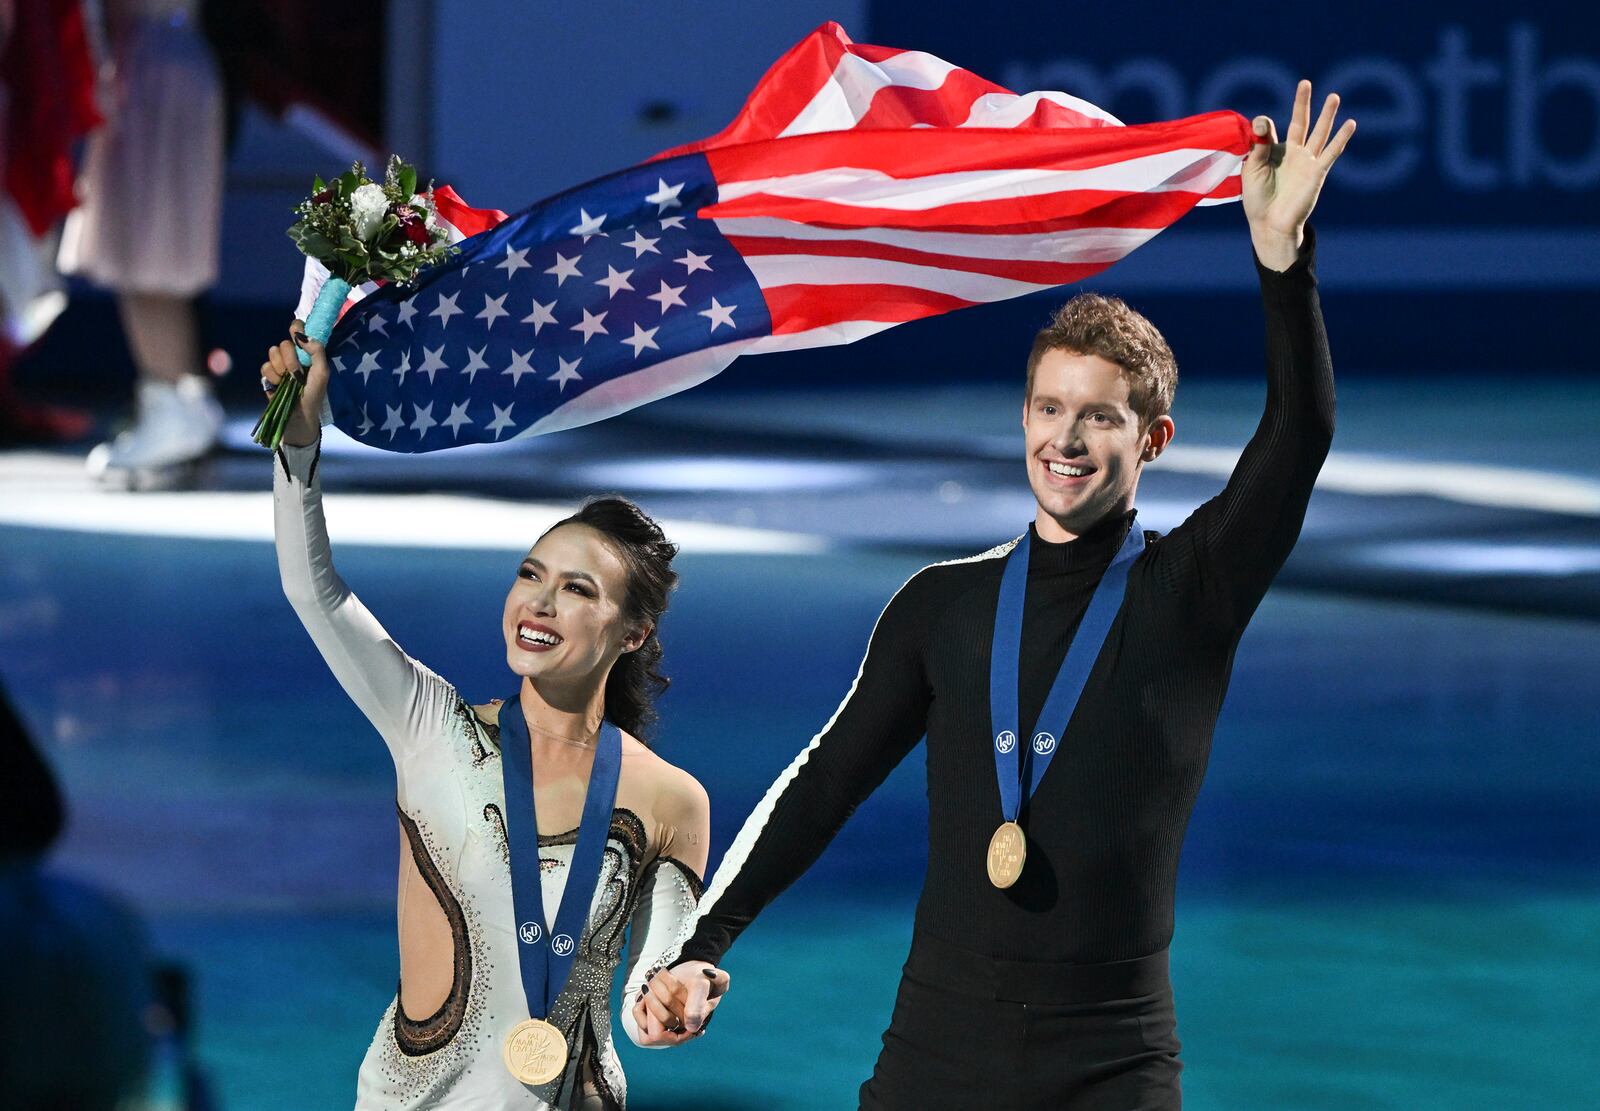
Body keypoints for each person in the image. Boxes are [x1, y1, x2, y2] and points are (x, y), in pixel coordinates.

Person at [658, 82, 1356, 1109]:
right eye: (1047, 407)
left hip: (1111, 1056)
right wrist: (699, 944)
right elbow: (825, 781)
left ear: (1152, 440)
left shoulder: (1192, 589)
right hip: (938, 1043)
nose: (1065, 441)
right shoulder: (942, 607)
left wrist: (1281, 264)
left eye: (1100, 418)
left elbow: (1297, 439)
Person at [261, 326, 712, 1109]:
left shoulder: (674, 799)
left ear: (632, 632)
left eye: (578, 589)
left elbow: (648, 992)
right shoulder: (433, 728)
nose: (538, 601)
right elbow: (316, 592)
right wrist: (299, 449)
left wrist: (674, 998)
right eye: (531, 574)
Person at [60, 0, 226, 480]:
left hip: (154, 70)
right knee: (154, 247)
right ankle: (178, 403)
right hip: (167, 59)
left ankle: (172, 408)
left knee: (148, 251)